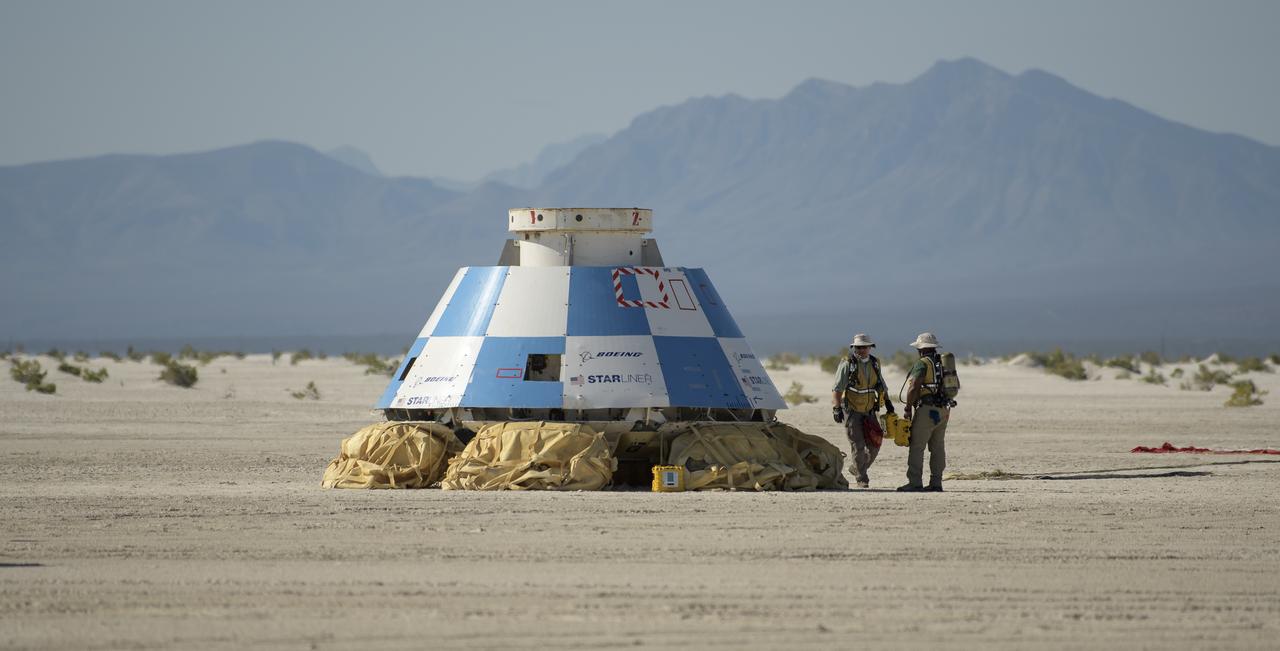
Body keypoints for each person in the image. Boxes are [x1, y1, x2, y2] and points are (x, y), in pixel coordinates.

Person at [831, 333, 894, 488]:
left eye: (864, 347)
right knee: (858, 445)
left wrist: (888, 402)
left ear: (870, 348)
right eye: (858, 347)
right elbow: (837, 389)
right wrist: (836, 409)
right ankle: (862, 479)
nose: (861, 350)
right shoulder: (847, 364)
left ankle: (857, 468)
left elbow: (882, 385)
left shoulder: (875, 363)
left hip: (870, 410)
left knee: (876, 442)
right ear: (854, 348)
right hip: (851, 410)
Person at [898, 332, 951, 492]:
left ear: (920, 349)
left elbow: (913, 387)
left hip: (927, 410)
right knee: (937, 447)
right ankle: (936, 482)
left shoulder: (922, 364)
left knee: (917, 446)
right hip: (943, 409)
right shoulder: (943, 363)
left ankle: (914, 482)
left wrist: (908, 408)